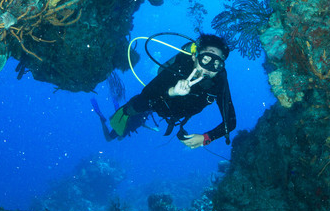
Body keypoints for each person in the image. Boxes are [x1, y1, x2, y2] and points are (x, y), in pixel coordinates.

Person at [100, 34, 236, 149]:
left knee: (124, 131)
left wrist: (207, 138)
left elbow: (230, 121)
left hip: (176, 114)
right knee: (122, 124)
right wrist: (172, 92)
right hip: (155, 104)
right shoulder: (179, 69)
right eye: (205, 59)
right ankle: (108, 122)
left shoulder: (219, 81)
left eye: (217, 64)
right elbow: (144, 98)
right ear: (195, 56)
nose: (209, 68)